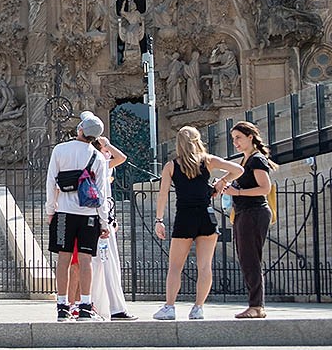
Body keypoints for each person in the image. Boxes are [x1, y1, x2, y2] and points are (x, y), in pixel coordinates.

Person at [152, 126, 243, 320]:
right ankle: (198, 308)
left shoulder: (171, 166)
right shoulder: (208, 160)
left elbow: (162, 195)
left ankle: (169, 307)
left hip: (184, 217)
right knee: (204, 266)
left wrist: (159, 219)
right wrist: (222, 182)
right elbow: (238, 169)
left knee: (175, 267)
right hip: (206, 216)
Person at [45, 111, 111, 321]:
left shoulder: (60, 150)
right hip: (88, 214)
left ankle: (62, 306)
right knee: (85, 261)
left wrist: (50, 210)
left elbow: (50, 182)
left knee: (63, 260)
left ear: (80, 129)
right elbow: (101, 194)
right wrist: (104, 222)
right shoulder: (98, 157)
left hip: (64, 212)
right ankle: (84, 306)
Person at [81, 133, 138, 320]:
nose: (109, 154)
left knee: (98, 264)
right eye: (106, 151)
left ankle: (98, 306)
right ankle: (114, 308)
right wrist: (107, 144)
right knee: (107, 264)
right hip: (101, 221)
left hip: (94, 219)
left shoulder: (92, 164)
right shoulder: (101, 163)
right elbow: (122, 158)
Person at [225, 120, 277, 318]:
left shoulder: (256, 159)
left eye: (238, 138)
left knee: (251, 259)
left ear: (250, 137)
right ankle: (255, 305)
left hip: (254, 213)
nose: (235, 142)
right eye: (232, 139)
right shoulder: (245, 160)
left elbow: (265, 188)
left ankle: (256, 306)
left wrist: (237, 193)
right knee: (246, 259)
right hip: (243, 213)